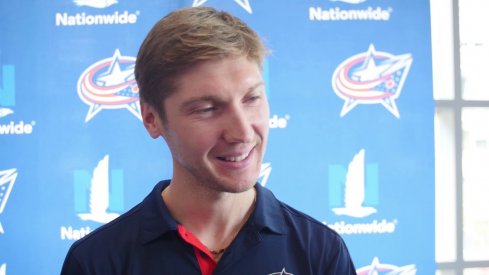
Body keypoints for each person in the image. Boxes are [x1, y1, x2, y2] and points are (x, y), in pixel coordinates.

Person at [61, 6, 357, 275]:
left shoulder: (320, 253)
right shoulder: (96, 262)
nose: (242, 132)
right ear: (152, 119)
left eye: (251, 98)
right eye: (207, 109)